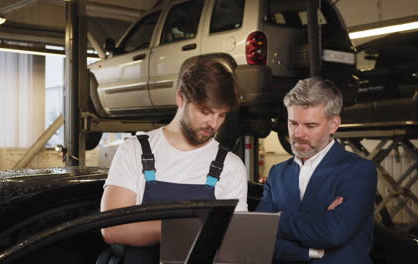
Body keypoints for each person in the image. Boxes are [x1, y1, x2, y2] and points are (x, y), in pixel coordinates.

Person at [100, 59, 248, 263]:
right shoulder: (134, 150)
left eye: (221, 115)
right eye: (205, 112)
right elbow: (112, 229)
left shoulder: (231, 166)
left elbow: (235, 242)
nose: (213, 124)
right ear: (181, 98)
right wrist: (187, 229)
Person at [257, 77, 378, 263]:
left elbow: (332, 233)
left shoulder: (359, 171)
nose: (298, 134)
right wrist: (311, 250)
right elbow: (260, 238)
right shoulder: (277, 174)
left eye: (310, 126)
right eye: (293, 123)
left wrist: (277, 219)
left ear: (334, 124)